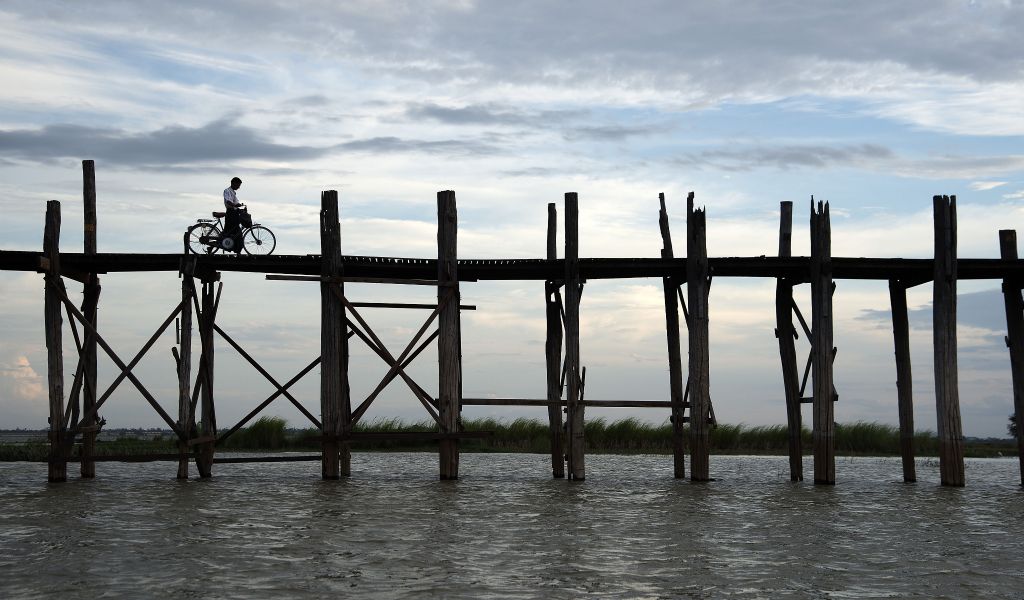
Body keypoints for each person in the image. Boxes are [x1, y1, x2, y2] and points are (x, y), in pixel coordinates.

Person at [222, 177, 245, 253]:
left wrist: (239, 205)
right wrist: (235, 205)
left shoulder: (233, 192)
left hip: (234, 212)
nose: (239, 187)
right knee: (234, 232)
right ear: (233, 183)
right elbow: (228, 201)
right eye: (238, 185)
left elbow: (235, 202)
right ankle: (235, 249)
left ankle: (235, 249)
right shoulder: (227, 191)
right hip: (231, 213)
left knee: (233, 232)